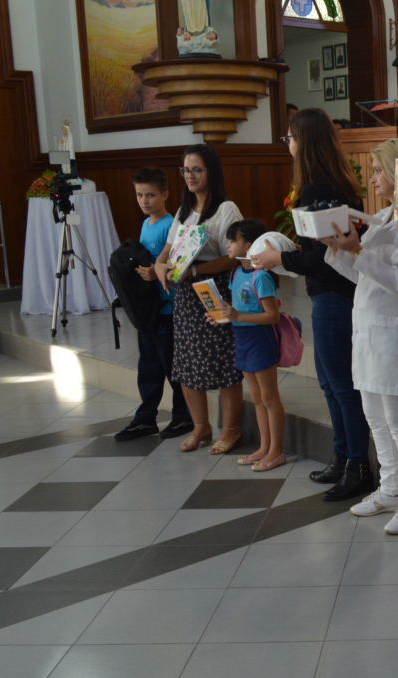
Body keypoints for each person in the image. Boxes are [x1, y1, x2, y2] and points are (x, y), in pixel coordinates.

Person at [251, 107, 374, 502]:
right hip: (330, 293)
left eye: (289, 137)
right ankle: (342, 458)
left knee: (341, 385)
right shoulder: (328, 183)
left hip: (335, 295)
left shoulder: (318, 189)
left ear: (304, 141)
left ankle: (357, 466)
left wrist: (278, 260)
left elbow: (321, 256)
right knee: (329, 382)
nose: (287, 143)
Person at [321, 138, 398, 534]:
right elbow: (364, 276)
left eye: (380, 169)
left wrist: (358, 252)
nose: (373, 177)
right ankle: (389, 488)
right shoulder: (382, 215)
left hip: (397, 331)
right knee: (374, 417)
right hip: (368, 329)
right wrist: (341, 250)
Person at [153, 143, 244, 454]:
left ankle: (230, 429)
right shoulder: (182, 210)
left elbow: (234, 257)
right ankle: (200, 426)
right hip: (185, 296)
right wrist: (159, 265)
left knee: (224, 362)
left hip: (215, 289)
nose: (189, 176)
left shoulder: (225, 209)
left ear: (211, 172)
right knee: (188, 362)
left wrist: (196, 271)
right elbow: (167, 250)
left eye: (196, 170)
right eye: (185, 170)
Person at [114, 167, 193, 442]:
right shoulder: (146, 224)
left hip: (166, 308)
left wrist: (157, 271)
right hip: (148, 309)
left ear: (165, 195)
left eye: (150, 195)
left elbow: (176, 262)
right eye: (139, 195)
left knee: (173, 367)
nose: (145, 201)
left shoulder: (170, 225)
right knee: (148, 367)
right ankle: (145, 418)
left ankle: (184, 417)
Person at [208, 221, 288, 472]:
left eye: (233, 240)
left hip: (259, 340)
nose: (228, 244)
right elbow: (236, 309)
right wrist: (221, 315)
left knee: (269, 397)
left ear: (250, 245)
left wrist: (238, 317)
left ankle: (276, 451)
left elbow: (272, 316)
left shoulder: (261, 275)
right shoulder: (235, 274)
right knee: (256, 398)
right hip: (241, 339)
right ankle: (265, 447)